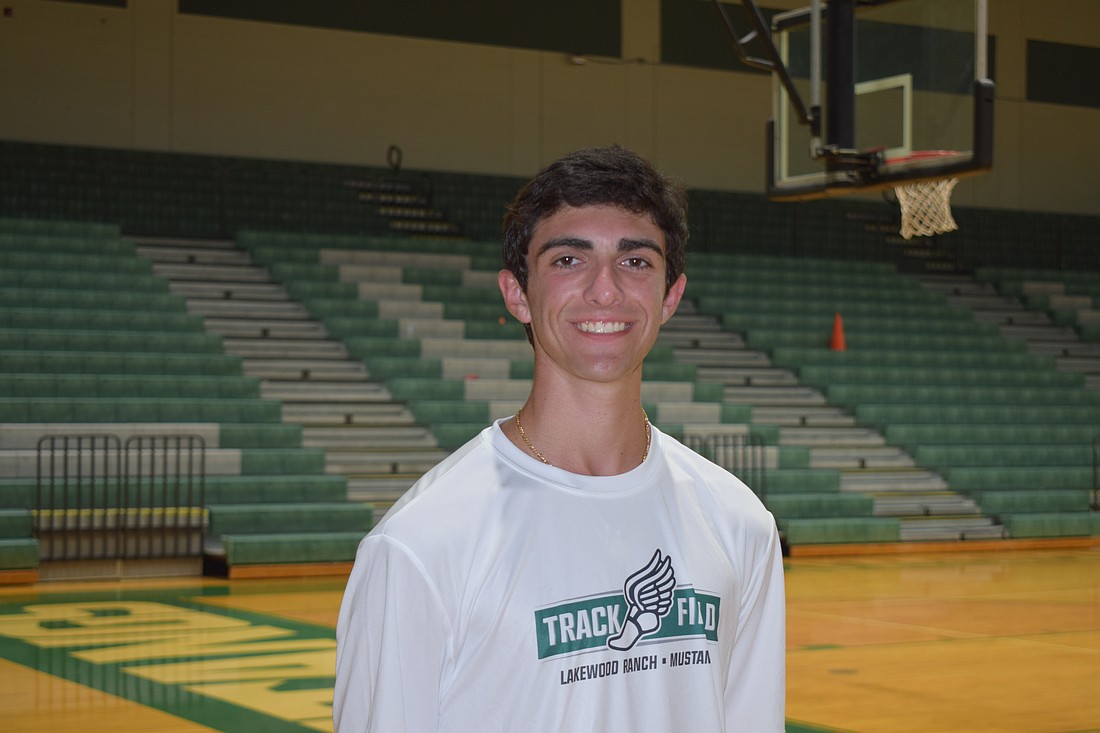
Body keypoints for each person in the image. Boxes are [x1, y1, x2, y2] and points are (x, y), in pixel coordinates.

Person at [334, 145, 785, 732]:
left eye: (637, 262)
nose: (605, 290)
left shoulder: (738, 524)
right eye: (570, 259)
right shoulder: (421, 545)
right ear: (517, 293)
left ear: (670, 296)